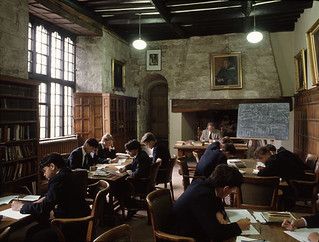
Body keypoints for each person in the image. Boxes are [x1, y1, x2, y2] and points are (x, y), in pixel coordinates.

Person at [11, 153, 90, 242]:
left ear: (52, 166)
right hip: (80, 222)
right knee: (32, 231)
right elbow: (57, 195)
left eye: (44, 170)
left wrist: (21, 207)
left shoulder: (59, 179)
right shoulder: (67, 173)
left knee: (33, 234)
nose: (44, 174)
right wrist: (46, 197)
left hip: (71, 225)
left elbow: (44, 208)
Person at [168, 164, 250, 242]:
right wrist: (238, 226)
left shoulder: (205, 183)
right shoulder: (202, 196)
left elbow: (218, 202)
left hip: (190, 227)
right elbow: (216, 234)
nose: (231, 192)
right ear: (226, 188)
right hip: (182, 236)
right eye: (232, 190)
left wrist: (219, 212)